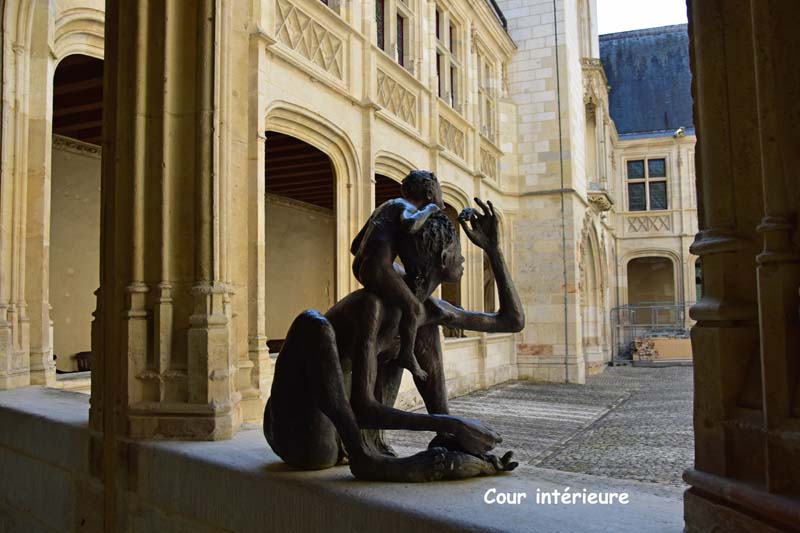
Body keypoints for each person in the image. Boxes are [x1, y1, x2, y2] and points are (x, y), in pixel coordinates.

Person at [264, 197, 525, 482]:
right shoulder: (372, 307)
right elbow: (363, 408)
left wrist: (493, 250)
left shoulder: (428, 310)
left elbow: (512, 321)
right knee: (312, 324)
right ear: (442, 258)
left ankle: (440, 438)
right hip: (304, 434)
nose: (462, 259)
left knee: (424, 325)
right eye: (457, 252)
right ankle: (365, 458)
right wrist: (453, 423)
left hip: (350, 435)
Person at [349, 170, 444, 382]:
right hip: (377, 268)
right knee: (414, 307)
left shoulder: (386, 206)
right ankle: (407, 355)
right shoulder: (405, 206)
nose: (442, 200)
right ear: (429, 193)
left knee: (403, 278)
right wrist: (430, 209)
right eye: (440, 193)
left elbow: (355, 246)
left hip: (362, 266)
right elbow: (411, 224)